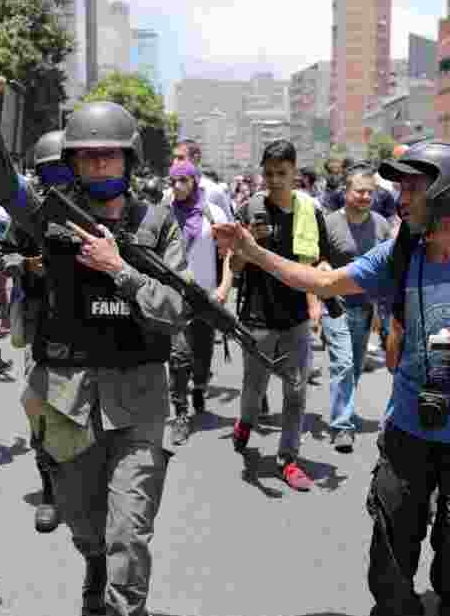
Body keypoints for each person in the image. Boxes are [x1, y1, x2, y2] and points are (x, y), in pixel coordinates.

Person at [212, 141, 450, 616]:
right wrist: (253, 252)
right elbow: (325, 281)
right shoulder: (401, 253)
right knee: (393, 532)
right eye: (399, 188)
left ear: (449, 194)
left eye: (413, 188)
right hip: (409, 427)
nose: (399, 199)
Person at [0, 58, 192, 616]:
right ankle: (91, 563)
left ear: (128, 160)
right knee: (86, 526)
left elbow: (178, 310)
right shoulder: (49, 213)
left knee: (129, 536)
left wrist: (120, 269)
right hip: (67, 401)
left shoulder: (156, 223)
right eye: (86, 157)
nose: (97, 166)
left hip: (139, 403)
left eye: (107, 156)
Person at [230, 139, 331, 492]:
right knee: (254, 389)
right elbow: (234, 265)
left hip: (295, 318)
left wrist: (317, 301)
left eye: (281, 173)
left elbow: (320, 261)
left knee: (296, 392)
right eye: (269, 173)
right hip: (257, 317)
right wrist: (248, 245)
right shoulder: (249, 210)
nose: (274, 180)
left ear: (294, 173)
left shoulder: (310, 212)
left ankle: (288, 459)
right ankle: (246, 422)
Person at [0, 128, 71, 534]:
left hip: (93, 329)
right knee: (40, 413)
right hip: (42, 327)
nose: (57, 181)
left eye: (63, 171)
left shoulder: (96, 209)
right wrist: (26, 264)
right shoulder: (28, 216)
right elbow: (1, 255)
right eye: (49, 173)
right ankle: (50, 492)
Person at [320, 164, 391, 453]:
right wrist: (323, 270)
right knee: (344, 363)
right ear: (346, 191)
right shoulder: (328, 223)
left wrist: (381, 310)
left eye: (370, 192)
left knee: (356, 365)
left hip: (366, 307)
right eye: (360, 191)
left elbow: (387, 270)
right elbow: (316, 260)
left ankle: (344, 408)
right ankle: (342, 426)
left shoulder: (381, 226)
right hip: (334, 305)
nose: (365, 197)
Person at [167, 159, 233, 445]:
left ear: (194, 181)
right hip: (174, 295)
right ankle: (180, 413)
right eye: (173, 181)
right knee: (179, 355)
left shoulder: (212, 213)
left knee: (202, 353)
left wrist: (224, 287)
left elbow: (230, 253)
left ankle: (200, 386)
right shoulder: (165, 212)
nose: (177, 186)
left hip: (206, 295)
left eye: (183, 180)